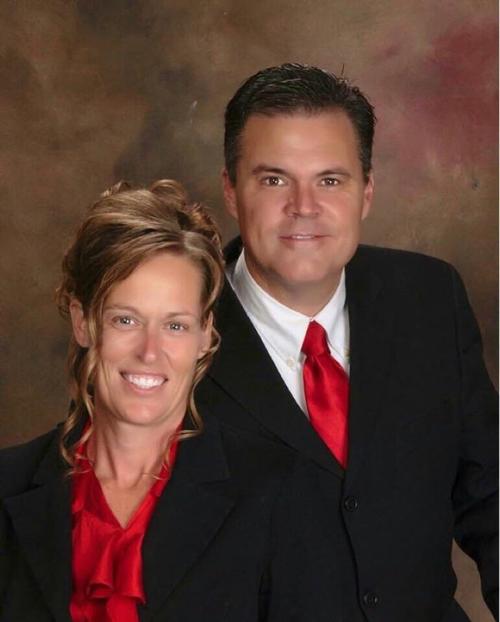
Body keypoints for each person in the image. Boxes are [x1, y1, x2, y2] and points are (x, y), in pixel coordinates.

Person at [196, 63, 499, 622]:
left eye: (330, 180)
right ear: (231, 191)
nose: (304, 206)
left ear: (367, 193)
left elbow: (490, 493)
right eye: (274, 179)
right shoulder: (171, 335)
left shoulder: (429, 298)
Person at [0, 179, 347, 621]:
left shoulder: (283, 491)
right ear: (83, 321)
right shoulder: (8, 484)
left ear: (205, 334)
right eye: (126, 320)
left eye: (175, 326)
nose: (150, 352)